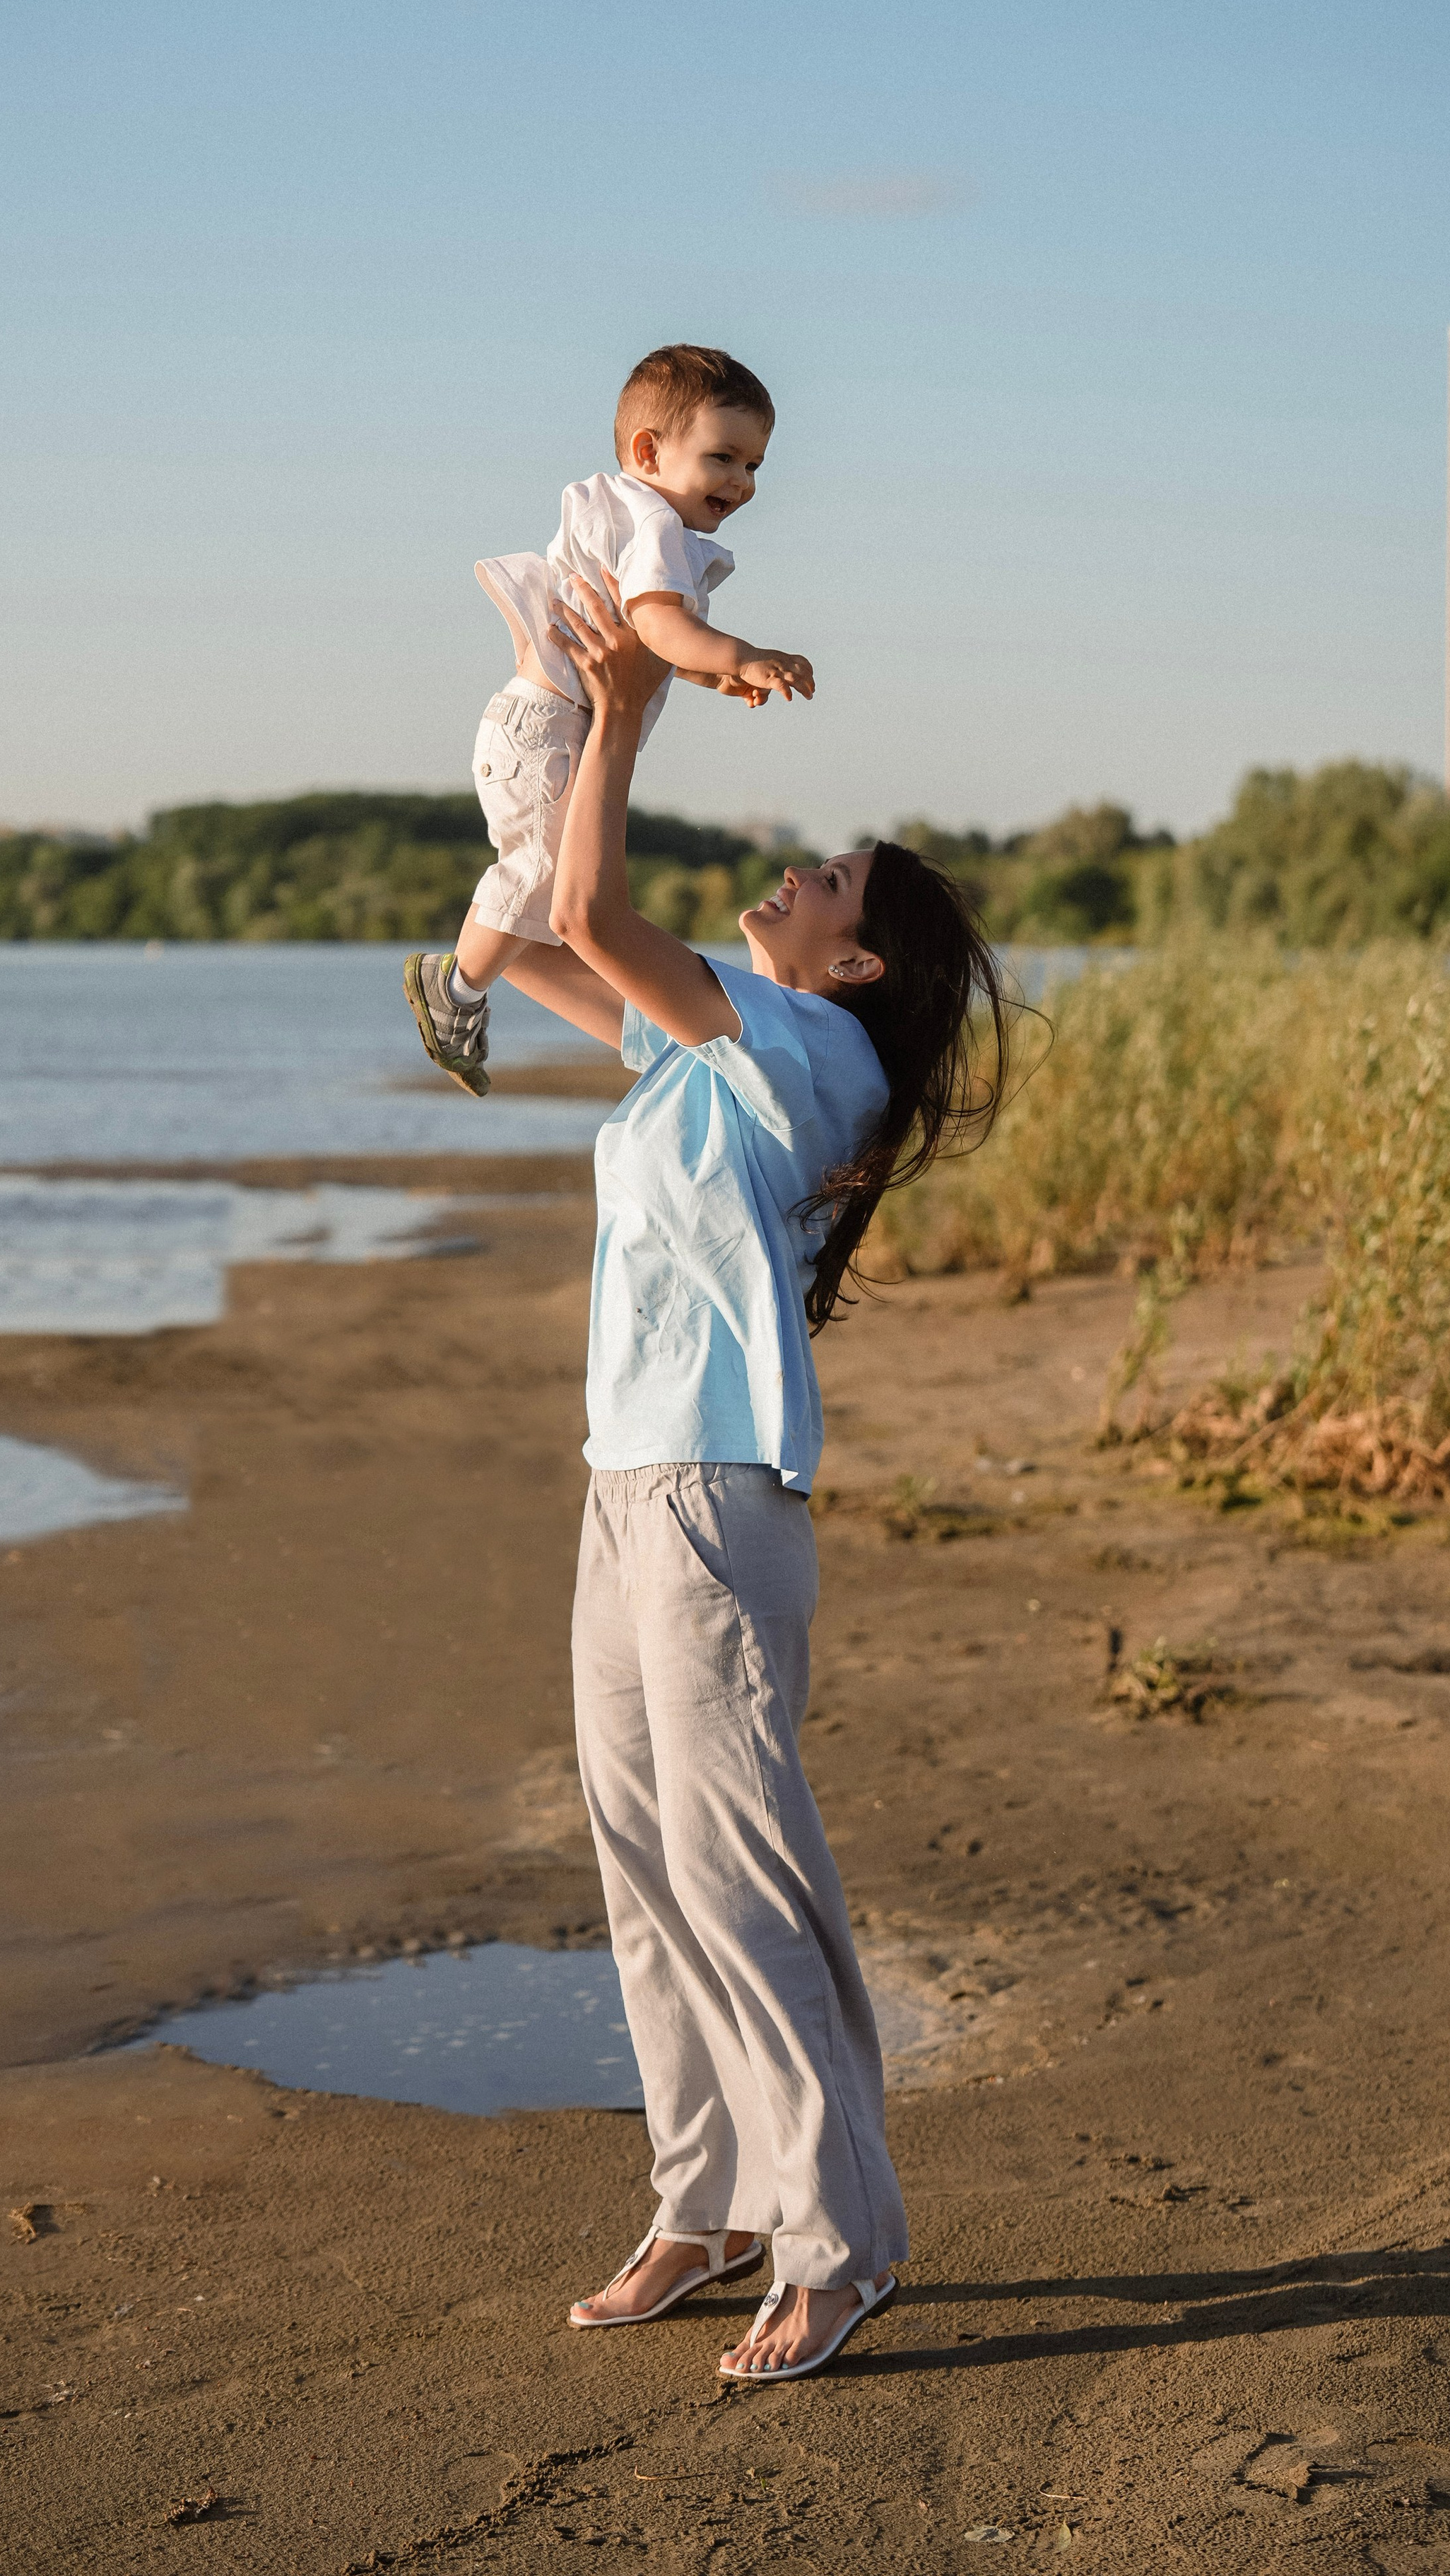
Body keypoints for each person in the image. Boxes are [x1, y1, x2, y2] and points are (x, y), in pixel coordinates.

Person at [500, 568, 1006, 2384]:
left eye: (829, 883)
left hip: (715, 1498)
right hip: (624, 1480)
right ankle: (705, 2201)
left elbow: (589, 910)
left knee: (734, 1873)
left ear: (854, 962)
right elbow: (545, 949)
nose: (794, 872)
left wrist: (632, 717)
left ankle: (837, 2240)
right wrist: (545, 723)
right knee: (644, 1864)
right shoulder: (712, 1045)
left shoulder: (818, 1052)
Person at [403, 343, 815, 1098]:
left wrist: (714, 675)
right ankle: (455, 990)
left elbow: (650, 644)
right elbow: (657, 626)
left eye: (754, 465)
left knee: (550, 881)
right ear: (649, 451)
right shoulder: (655, 525)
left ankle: (471, 985)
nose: (741, 482)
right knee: (538, 875)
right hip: (552, 730)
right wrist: (747, 655)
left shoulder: (626, 514)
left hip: (539, 727)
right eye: (723, 458)